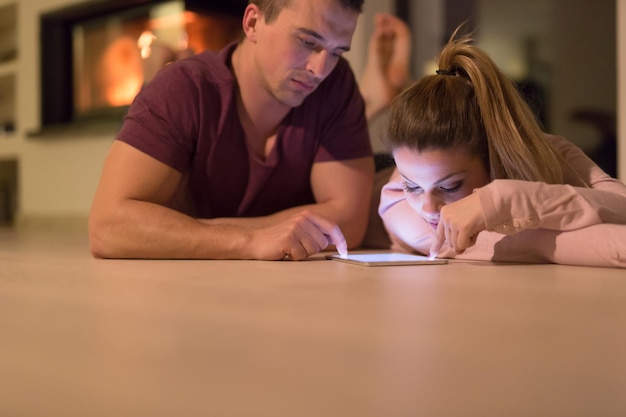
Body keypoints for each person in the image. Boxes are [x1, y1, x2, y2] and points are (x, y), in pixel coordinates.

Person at [88, 0, 374, 261]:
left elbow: (348, 222)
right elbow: (108, 226)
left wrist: (188, 230)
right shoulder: (183, 88)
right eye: (308, 41)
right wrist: (249, 241)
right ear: (252, 23)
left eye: (337, 52)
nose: (320, 69)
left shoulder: (337, 85)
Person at [379, 28, 626, 268]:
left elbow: (621, 205)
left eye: (449, 186)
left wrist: (506, 198)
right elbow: (535, 242)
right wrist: (503, 203)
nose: (429, 208)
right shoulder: (397, 205)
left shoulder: (547, 150)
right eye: (411, 185)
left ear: (494, 154)